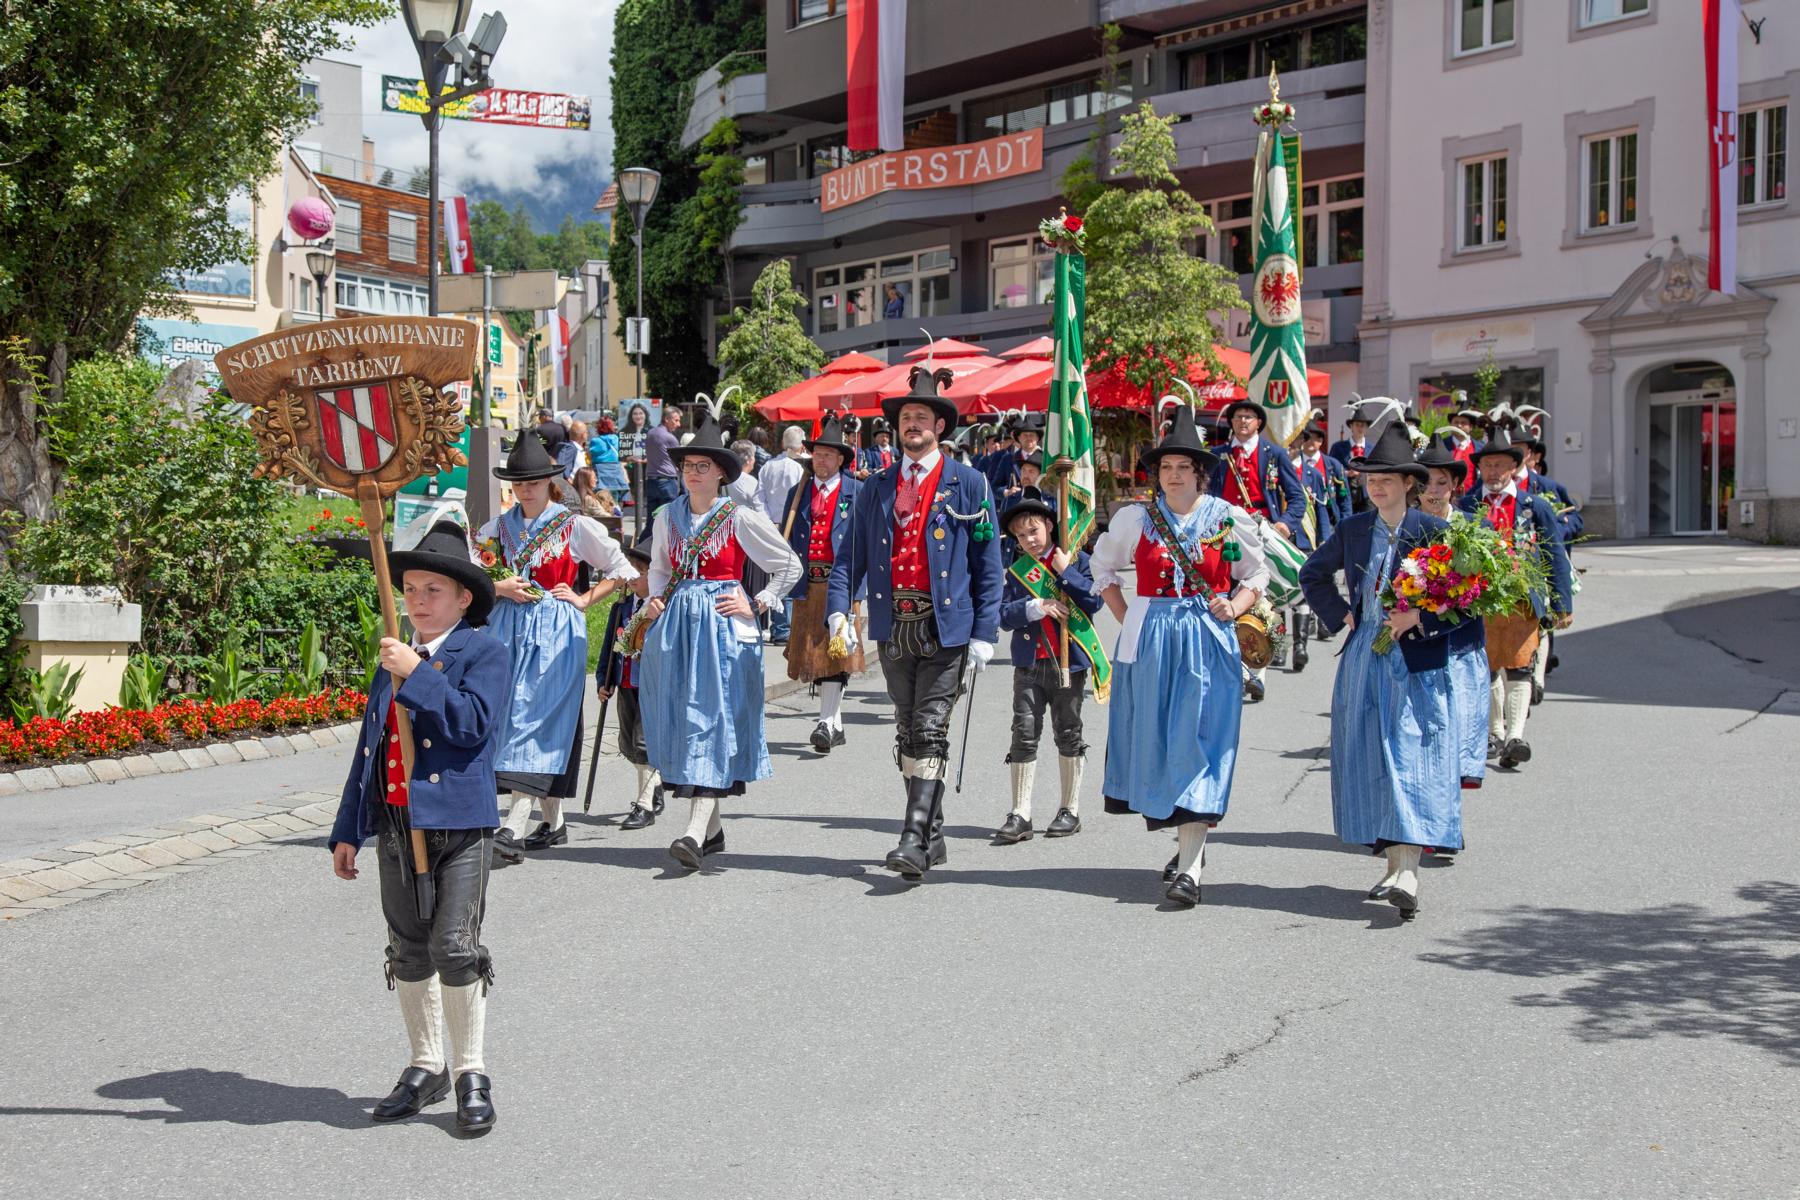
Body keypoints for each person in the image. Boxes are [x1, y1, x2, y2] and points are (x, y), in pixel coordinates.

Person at [327, 521, 508, 1133]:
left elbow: (473, 725)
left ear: (463, 598)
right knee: (408, 948)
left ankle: (471, 1072)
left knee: (454, 946)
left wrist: (419, 673)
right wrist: (348, 827)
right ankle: (426, 1065)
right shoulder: (392, 658)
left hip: (460, 826)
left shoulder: (482, 651)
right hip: (399, 825)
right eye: (410, 588)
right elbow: (369, 749)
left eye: (435, 589)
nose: (420, 600)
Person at [826, 364, 1004, 880]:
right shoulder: (875, 487)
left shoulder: (969, 484)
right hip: (893, 626)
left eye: (922, 417)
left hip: (946, 627)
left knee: (929, 728)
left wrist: (985, 636)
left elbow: (987, 567)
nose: (912, 425)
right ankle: (935, 834)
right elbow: (847, 561)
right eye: (906, 417)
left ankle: (910, 838)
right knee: (907, 732)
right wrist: (840, 611)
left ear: (940, 427)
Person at [1091, 404, 1270, 907]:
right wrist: (1130, 615)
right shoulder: (1135, 518)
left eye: (1182, 468)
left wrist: (1234, 605)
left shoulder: (1227, 518)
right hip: (1149, 642)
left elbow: (1258, 574)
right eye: (1165, 468)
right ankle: (1187, 843)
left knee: (1200, 740)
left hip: (1208, 639)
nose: (1172, 476)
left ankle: (1190, 866)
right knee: (1162, 740)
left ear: (1200, 473)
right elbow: (1102, 568)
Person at [1298, 421, 1463, 922]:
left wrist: (1421, 618)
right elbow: (1312, 573)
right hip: (1366, 656)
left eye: (1387, 478)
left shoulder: (1433, 531)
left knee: (1412, 757)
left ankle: (1410, 872)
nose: (1377, 485)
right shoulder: (1353, 529)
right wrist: (1341, 613)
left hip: (1416, 661)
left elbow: (1468, 599)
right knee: (1373, 757)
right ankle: (1393, 867)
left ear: (1409, 482)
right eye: (1371, 477)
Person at [639, 409, 801, 870]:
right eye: (688, 465)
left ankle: (693, 832)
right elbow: (659, 569)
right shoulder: (667, 516)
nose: (693, 472)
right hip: (678, 628)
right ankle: (710, 831)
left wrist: (759, 601)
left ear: (721, 474)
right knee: (685, 715)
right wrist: (654, 600)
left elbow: (789, 565)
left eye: (702, 466)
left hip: (724, 629)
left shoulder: (739, 516)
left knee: (711, 718)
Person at [479, 432, 637, 863]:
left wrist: (586, 598)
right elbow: (472, 573)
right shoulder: (498, 528)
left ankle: (513, 824)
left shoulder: (572, 524)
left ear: (550, 482)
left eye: (532, 481)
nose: (524, 489)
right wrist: (498, 587)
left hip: (554, 629)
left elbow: (620, 567)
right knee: (513, 715)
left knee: (537, 714)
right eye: (518, 482)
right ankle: (554, 820)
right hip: (507, 626)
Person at [1456, 424, 1574, 771]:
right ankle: (1495, 731)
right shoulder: (1469, 505)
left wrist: (1562, 603)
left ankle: (1515, 738)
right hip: (1483, 598)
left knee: (1520, 666)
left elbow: (1555, 554)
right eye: (1487, 465)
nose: (1493, 472)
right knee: (1488, 666)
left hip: (1523, 600)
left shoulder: (1533, 507)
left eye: (1499, 465)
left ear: (1513, 467)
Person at [995, 486, 1103, 843]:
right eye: (1021, 535)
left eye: (1034, 531)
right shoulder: (1016, 571)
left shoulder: (1074, 560)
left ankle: (1069, 809)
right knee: (1023, 734)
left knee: (1068, 731)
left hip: (1067, 663)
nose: (1029, 540)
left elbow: (1093, 601)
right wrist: (1035, 606)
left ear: (1049, 527)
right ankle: (1020, 813)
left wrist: (1065, 574)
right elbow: (1004, 616)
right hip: (1029, 664)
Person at [778, 415, 865, 754]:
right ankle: (836, 724)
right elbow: (785, 542)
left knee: (836, 652)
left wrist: (860, 590)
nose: (821, 460)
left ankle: (826, 723)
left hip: (841, 584)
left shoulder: (856, 492)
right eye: (817, 454)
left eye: (828, 455)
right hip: (807, 585)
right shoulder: (797, 493)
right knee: (814, 654)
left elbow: (867, 544)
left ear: (841, 459)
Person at [1210, 399, 1306, 695]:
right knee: (1226, 598)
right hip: (1224, 535)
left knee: (1261, 599)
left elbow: (1297, 498)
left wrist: (1284, 525)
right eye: (1238, 417)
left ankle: (1258, 671)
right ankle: (1235, 667)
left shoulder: (1274, 454)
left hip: (1261, 534)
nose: (1242, 422)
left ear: (1259, 423)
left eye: (1249, 417)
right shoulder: (1218, 456)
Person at [1417, 431, 1489, 795]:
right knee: (1423, 741)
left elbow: (1486, 590)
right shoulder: (1405, 530)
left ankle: (1446, 821)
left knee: (1457, 736)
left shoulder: (1475, 530)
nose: (1433, 490)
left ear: (1455, 485)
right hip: (1416, 648)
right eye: (1426, 482)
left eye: (1442, 482)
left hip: (1460, 647)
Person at [596, 544, 664, 830]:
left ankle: (644, 805)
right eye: (631, 571)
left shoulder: (660, 606)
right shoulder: (622, 607)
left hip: (650, 683)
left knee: (641, 743)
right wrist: (604, 680)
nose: (634, 576)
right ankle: (655, 783)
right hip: (624, 681)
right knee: (627, 744)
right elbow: (609, 647)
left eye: (641, 571)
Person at [758, 426, 808, 644]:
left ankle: (780, 626)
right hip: (790, 527)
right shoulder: (798, 468)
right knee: (788, 574)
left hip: (772, 526)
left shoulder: (768, 466)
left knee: (778, 574)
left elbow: (758, 498)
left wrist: (769, 521)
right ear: (801, 446)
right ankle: (784, 627)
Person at [642, 405, 684, 528]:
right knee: (668, 522)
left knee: (651, 522)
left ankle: (643, 546)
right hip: (667, 483)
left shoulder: (650, 433)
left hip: (651, 481)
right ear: (666, 419)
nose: (678, 424)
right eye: (676, 420)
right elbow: (679, 461)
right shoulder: (670, 438)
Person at [1328, 403, 1375, 513]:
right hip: (1345, 493)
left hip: (1367, 495)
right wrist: (1346, 473)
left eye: (1363, 425)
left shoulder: (1372, 448)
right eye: (1357, 425)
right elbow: (1331, 469)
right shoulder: (1339, 447)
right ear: (1351, 426)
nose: (1360, 428)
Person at [619, 403, 652, 509]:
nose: (638, 416)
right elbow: (620, 453)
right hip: (630, 467)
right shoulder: (624, 431)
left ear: (645, 415)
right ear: (631, 416)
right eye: (635, 414)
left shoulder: (652, 431)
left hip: (647, 467)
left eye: (641, 413)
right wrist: (628, 457)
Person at [590, 416, 630, 498]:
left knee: (600, 497)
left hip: (600, 471)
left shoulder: (595, 441)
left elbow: (591, 454)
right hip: (615, 471)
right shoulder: (616, 439)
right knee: (614, 498)